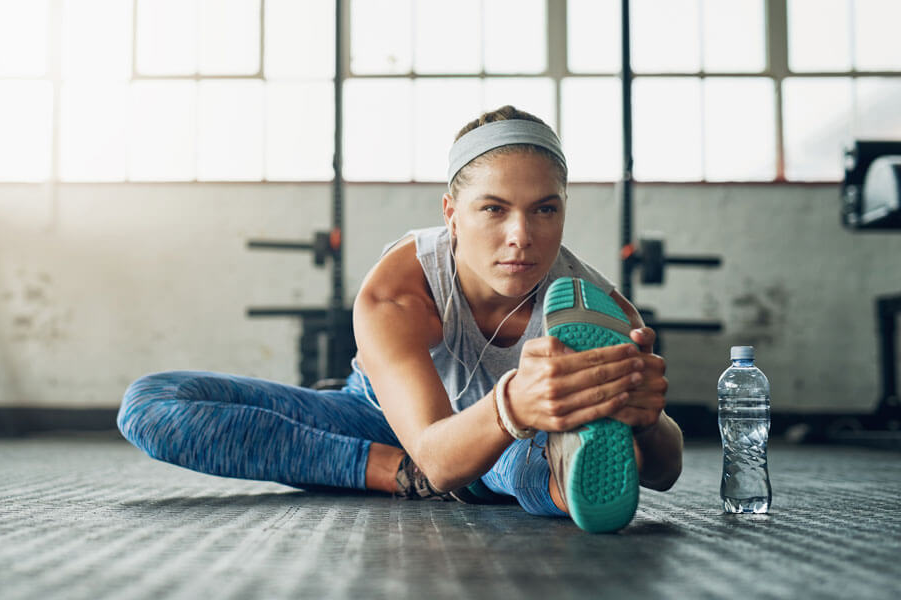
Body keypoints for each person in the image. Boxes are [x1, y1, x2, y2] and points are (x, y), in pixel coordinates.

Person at [118, 105, 682, 532]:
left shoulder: (597, 309)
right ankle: (395, 473)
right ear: (451, 214)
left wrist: (647, 420)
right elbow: (437, 457)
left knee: (543, 463)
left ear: (563, 208)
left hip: (514, 443)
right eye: (493, 208)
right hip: (379, 421)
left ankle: (541, 474)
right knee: (153, 405)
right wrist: (501, 411)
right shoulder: (398, 288)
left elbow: (664, 470)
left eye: (544, 209)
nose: (521, 237)